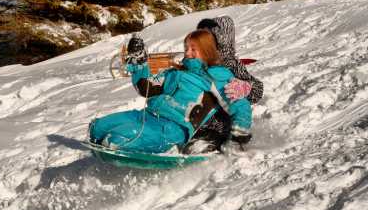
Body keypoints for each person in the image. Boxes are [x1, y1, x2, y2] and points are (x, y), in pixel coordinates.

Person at [89, 29, 252, 154]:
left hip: (173, 128)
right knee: (98, 128)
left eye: (193, 49)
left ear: (207, 51)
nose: (187, 53)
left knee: (114, 141)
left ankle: (159, 146)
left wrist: (238, 137)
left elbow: (240, 105)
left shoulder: (217, 76)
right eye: (187, 48)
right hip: (147, 116)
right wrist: (140, 65)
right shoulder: (175, 73)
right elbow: (146, 88)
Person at [186, 16, 264, 152]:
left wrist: (246, 87)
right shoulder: (194, 59)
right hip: (192, 112)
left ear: (221, 38)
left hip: (220, 117)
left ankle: (211, 142)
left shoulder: (230, 64)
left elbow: (257, 89)